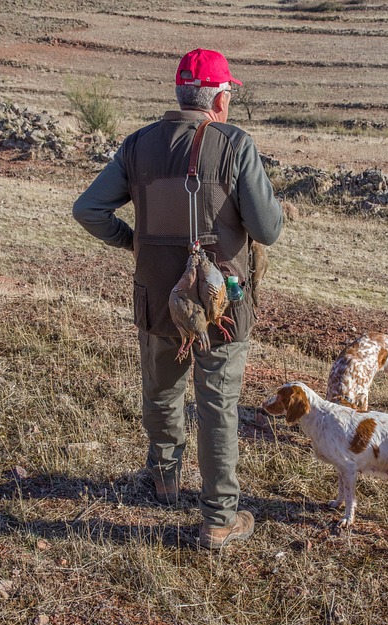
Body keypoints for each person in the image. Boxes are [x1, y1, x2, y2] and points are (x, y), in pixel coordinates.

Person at [73, 48, 283, 550]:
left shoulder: (137, 145)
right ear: (220, 98)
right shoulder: (236, 145)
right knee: (217, 407)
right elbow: (267, 229)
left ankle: (164, 479)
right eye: (228, 92)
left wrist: (136, 242)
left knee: (162, 392)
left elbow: (88, 210)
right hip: (221, 307)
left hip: (155, 301)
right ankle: (218, 518)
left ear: (181, 93)